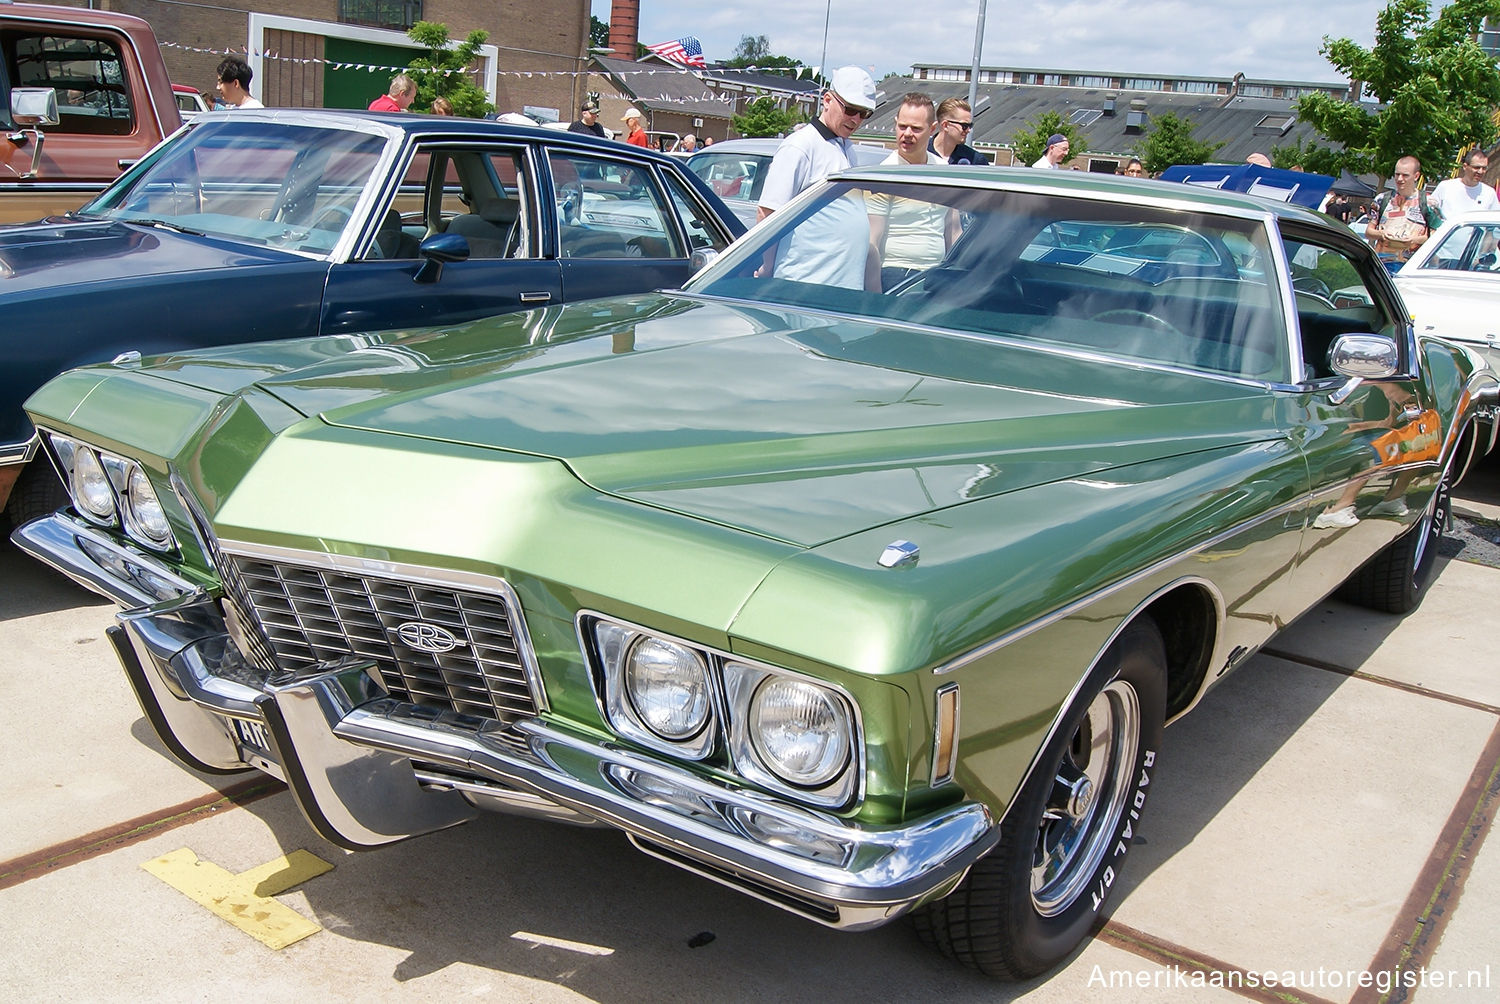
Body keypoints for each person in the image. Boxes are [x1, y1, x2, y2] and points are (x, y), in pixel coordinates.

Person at [755, 65, 877, 288]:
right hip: (803, 283)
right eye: (850, 110)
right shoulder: (800, 146)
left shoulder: (847, 149)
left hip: (841, 286)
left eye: (865, 113)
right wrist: (767, 266)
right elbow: (768, 213)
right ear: (827, 100)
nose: (857, 119)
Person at [867, 93, 957, 290]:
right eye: (902, 126)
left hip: (937, 275)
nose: (907, 134)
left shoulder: (945, 172)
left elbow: (953, 231)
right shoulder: (883, 176)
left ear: (932, 129)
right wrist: (874, 298)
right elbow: (871, 243)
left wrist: (957, 277)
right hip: (896, 273)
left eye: (916, 129)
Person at [1366, 155, 1442, 264]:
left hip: (1412, 265)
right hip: (1383, 264)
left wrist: (1413, 240)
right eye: (1397, 174)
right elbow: (1369, 232)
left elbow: (1436, 236)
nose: (1400, 179)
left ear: (1416, 176)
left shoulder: (1429, 202)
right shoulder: (1382, 199)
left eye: (1405, 175)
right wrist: (1382, 234)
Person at [1430, 148, 1499, 222]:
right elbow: (1430, 212)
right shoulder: (1446, 187)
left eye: (1484, 168)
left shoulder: (1489, 193)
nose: (1480, 171)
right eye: (1476, 167)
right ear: (1465, 166)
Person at [929, 98, 989, 165]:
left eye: (970, 125)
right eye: (964, 126)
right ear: (945, 125)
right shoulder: (921, 152)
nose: (968, 130)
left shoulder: (975, 160)